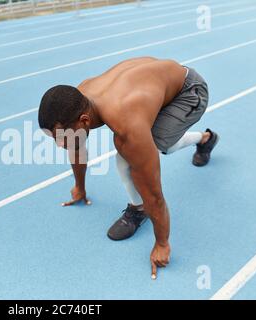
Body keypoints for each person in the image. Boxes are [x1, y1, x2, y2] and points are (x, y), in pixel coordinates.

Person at [38, 57, 219, 278]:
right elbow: (77, 146)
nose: (60, 144)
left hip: (189, 92)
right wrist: (80, 187)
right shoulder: (76, 102)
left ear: (84, 120)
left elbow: (154, 194)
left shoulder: (125, 125)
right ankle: (205, 139)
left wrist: (162, 244)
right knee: (150, 144)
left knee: (134, 154)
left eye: (62, 138)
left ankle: (138, 208)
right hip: (152, 86)